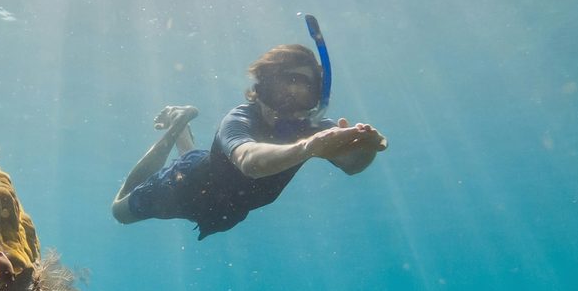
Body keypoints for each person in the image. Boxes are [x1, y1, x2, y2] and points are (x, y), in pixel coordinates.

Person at [111, 44, 387, 239]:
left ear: (317, 95)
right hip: (183, 189)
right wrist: (308, 147)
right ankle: (175, 129)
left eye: (304, 87)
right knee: (119, 212)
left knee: (195, 158)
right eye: (284, 85)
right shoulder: (239, 118)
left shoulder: (314, 130)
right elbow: (249, 162)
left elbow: (352, 164)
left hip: (224, 206)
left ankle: (181, 123)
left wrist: (365, 146)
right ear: (262, 88)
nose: (290, 98)